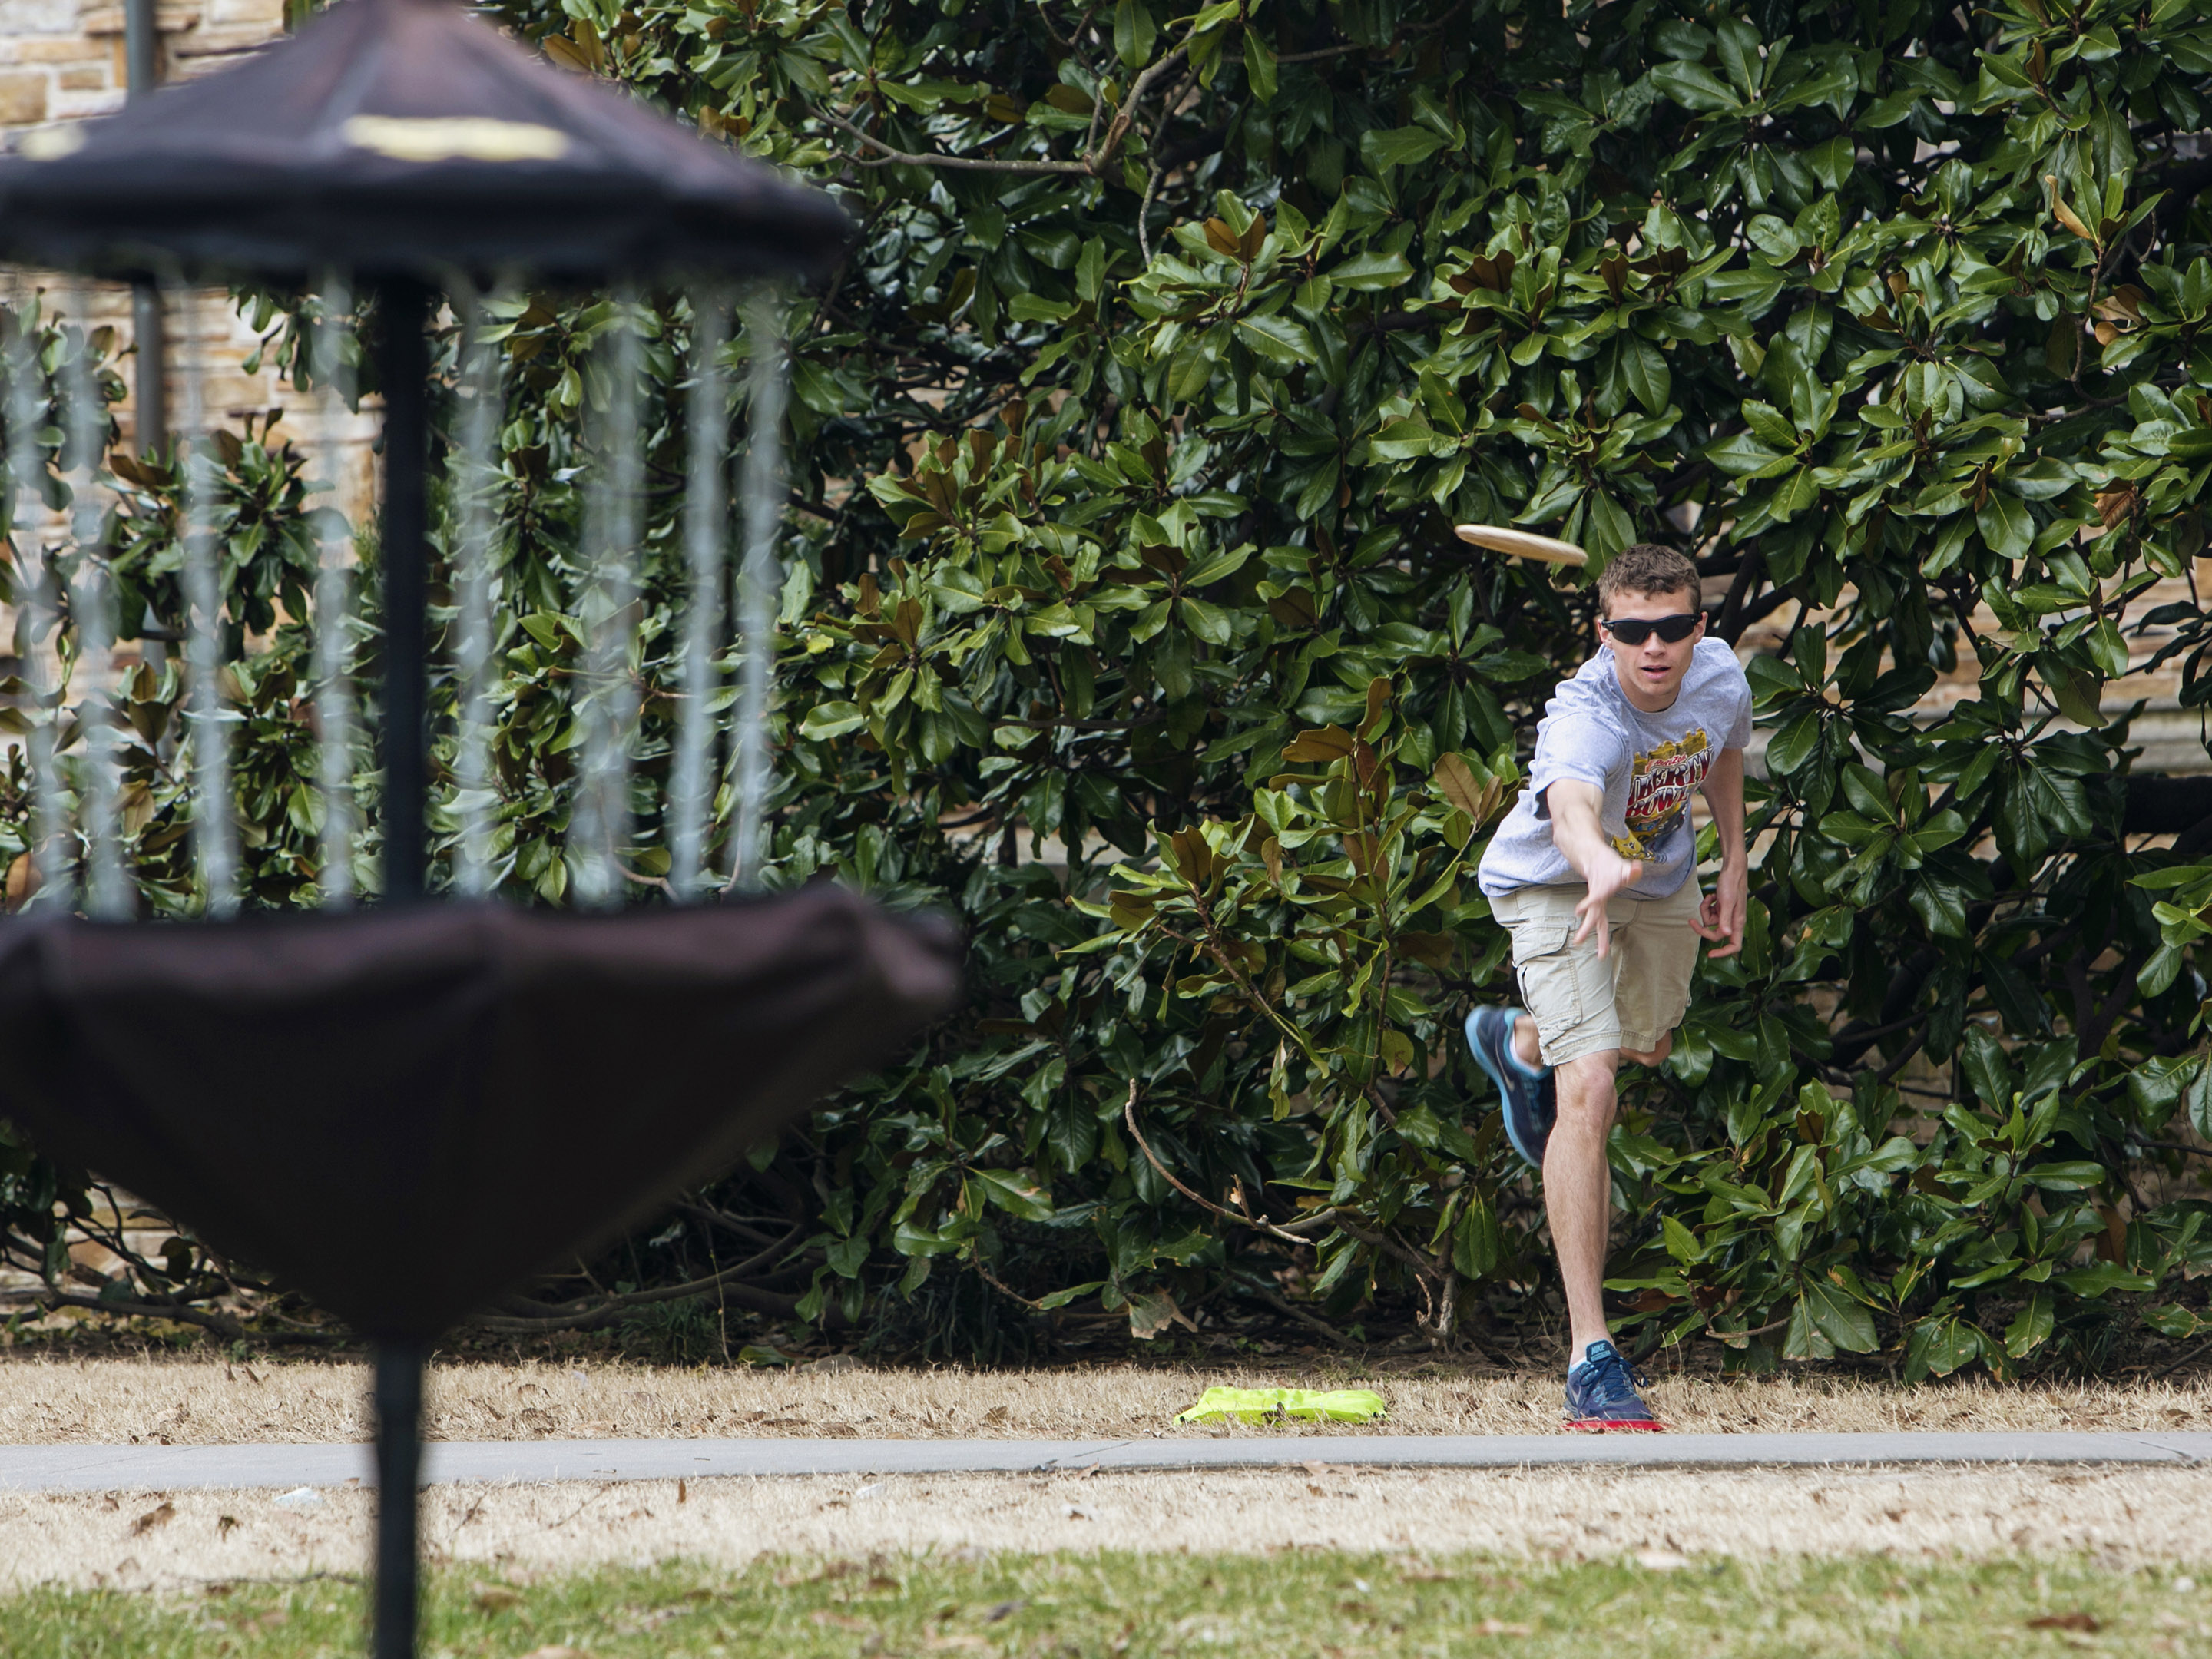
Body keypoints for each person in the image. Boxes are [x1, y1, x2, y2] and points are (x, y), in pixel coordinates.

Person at [1462, 542, 1750, 1432]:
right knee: (1591, 1086)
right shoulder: (1584, 716)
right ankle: (1592, 1356)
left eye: (1671, 629)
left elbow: (1725, 749)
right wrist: (1594, 865)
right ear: (1606, 634)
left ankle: (1517, 1042)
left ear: (1699, 629)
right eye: (1633, 631)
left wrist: (1735, 858)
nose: (1654, 647)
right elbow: (1574, 806)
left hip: (1658, 884)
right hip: (1559, 888)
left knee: (1645, 1045)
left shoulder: (1720, 676)